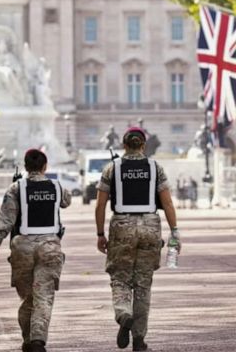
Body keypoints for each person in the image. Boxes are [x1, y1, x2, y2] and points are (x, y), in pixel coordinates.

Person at [94, 127, 181, 352]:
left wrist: (100, 234)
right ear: (143, 145)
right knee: (143, 284)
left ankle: (123, 313)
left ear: (124, 145)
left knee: (120, 277)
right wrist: (175, 232)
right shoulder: (155, 168)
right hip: (151, 226)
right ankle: (139, 340)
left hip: (121, 225)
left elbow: (100, 204)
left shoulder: (111, 168)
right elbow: (168, 203)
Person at [0, 149, 71, 352]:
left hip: (23, 247)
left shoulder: (16, 188)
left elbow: (6, 217)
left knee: (28, 298)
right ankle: (36, 340)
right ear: (45, 166)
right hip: (50, 247)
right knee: (43, 295)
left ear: (25, 167)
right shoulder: (56, 187)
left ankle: (30, 339)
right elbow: (66, 201)